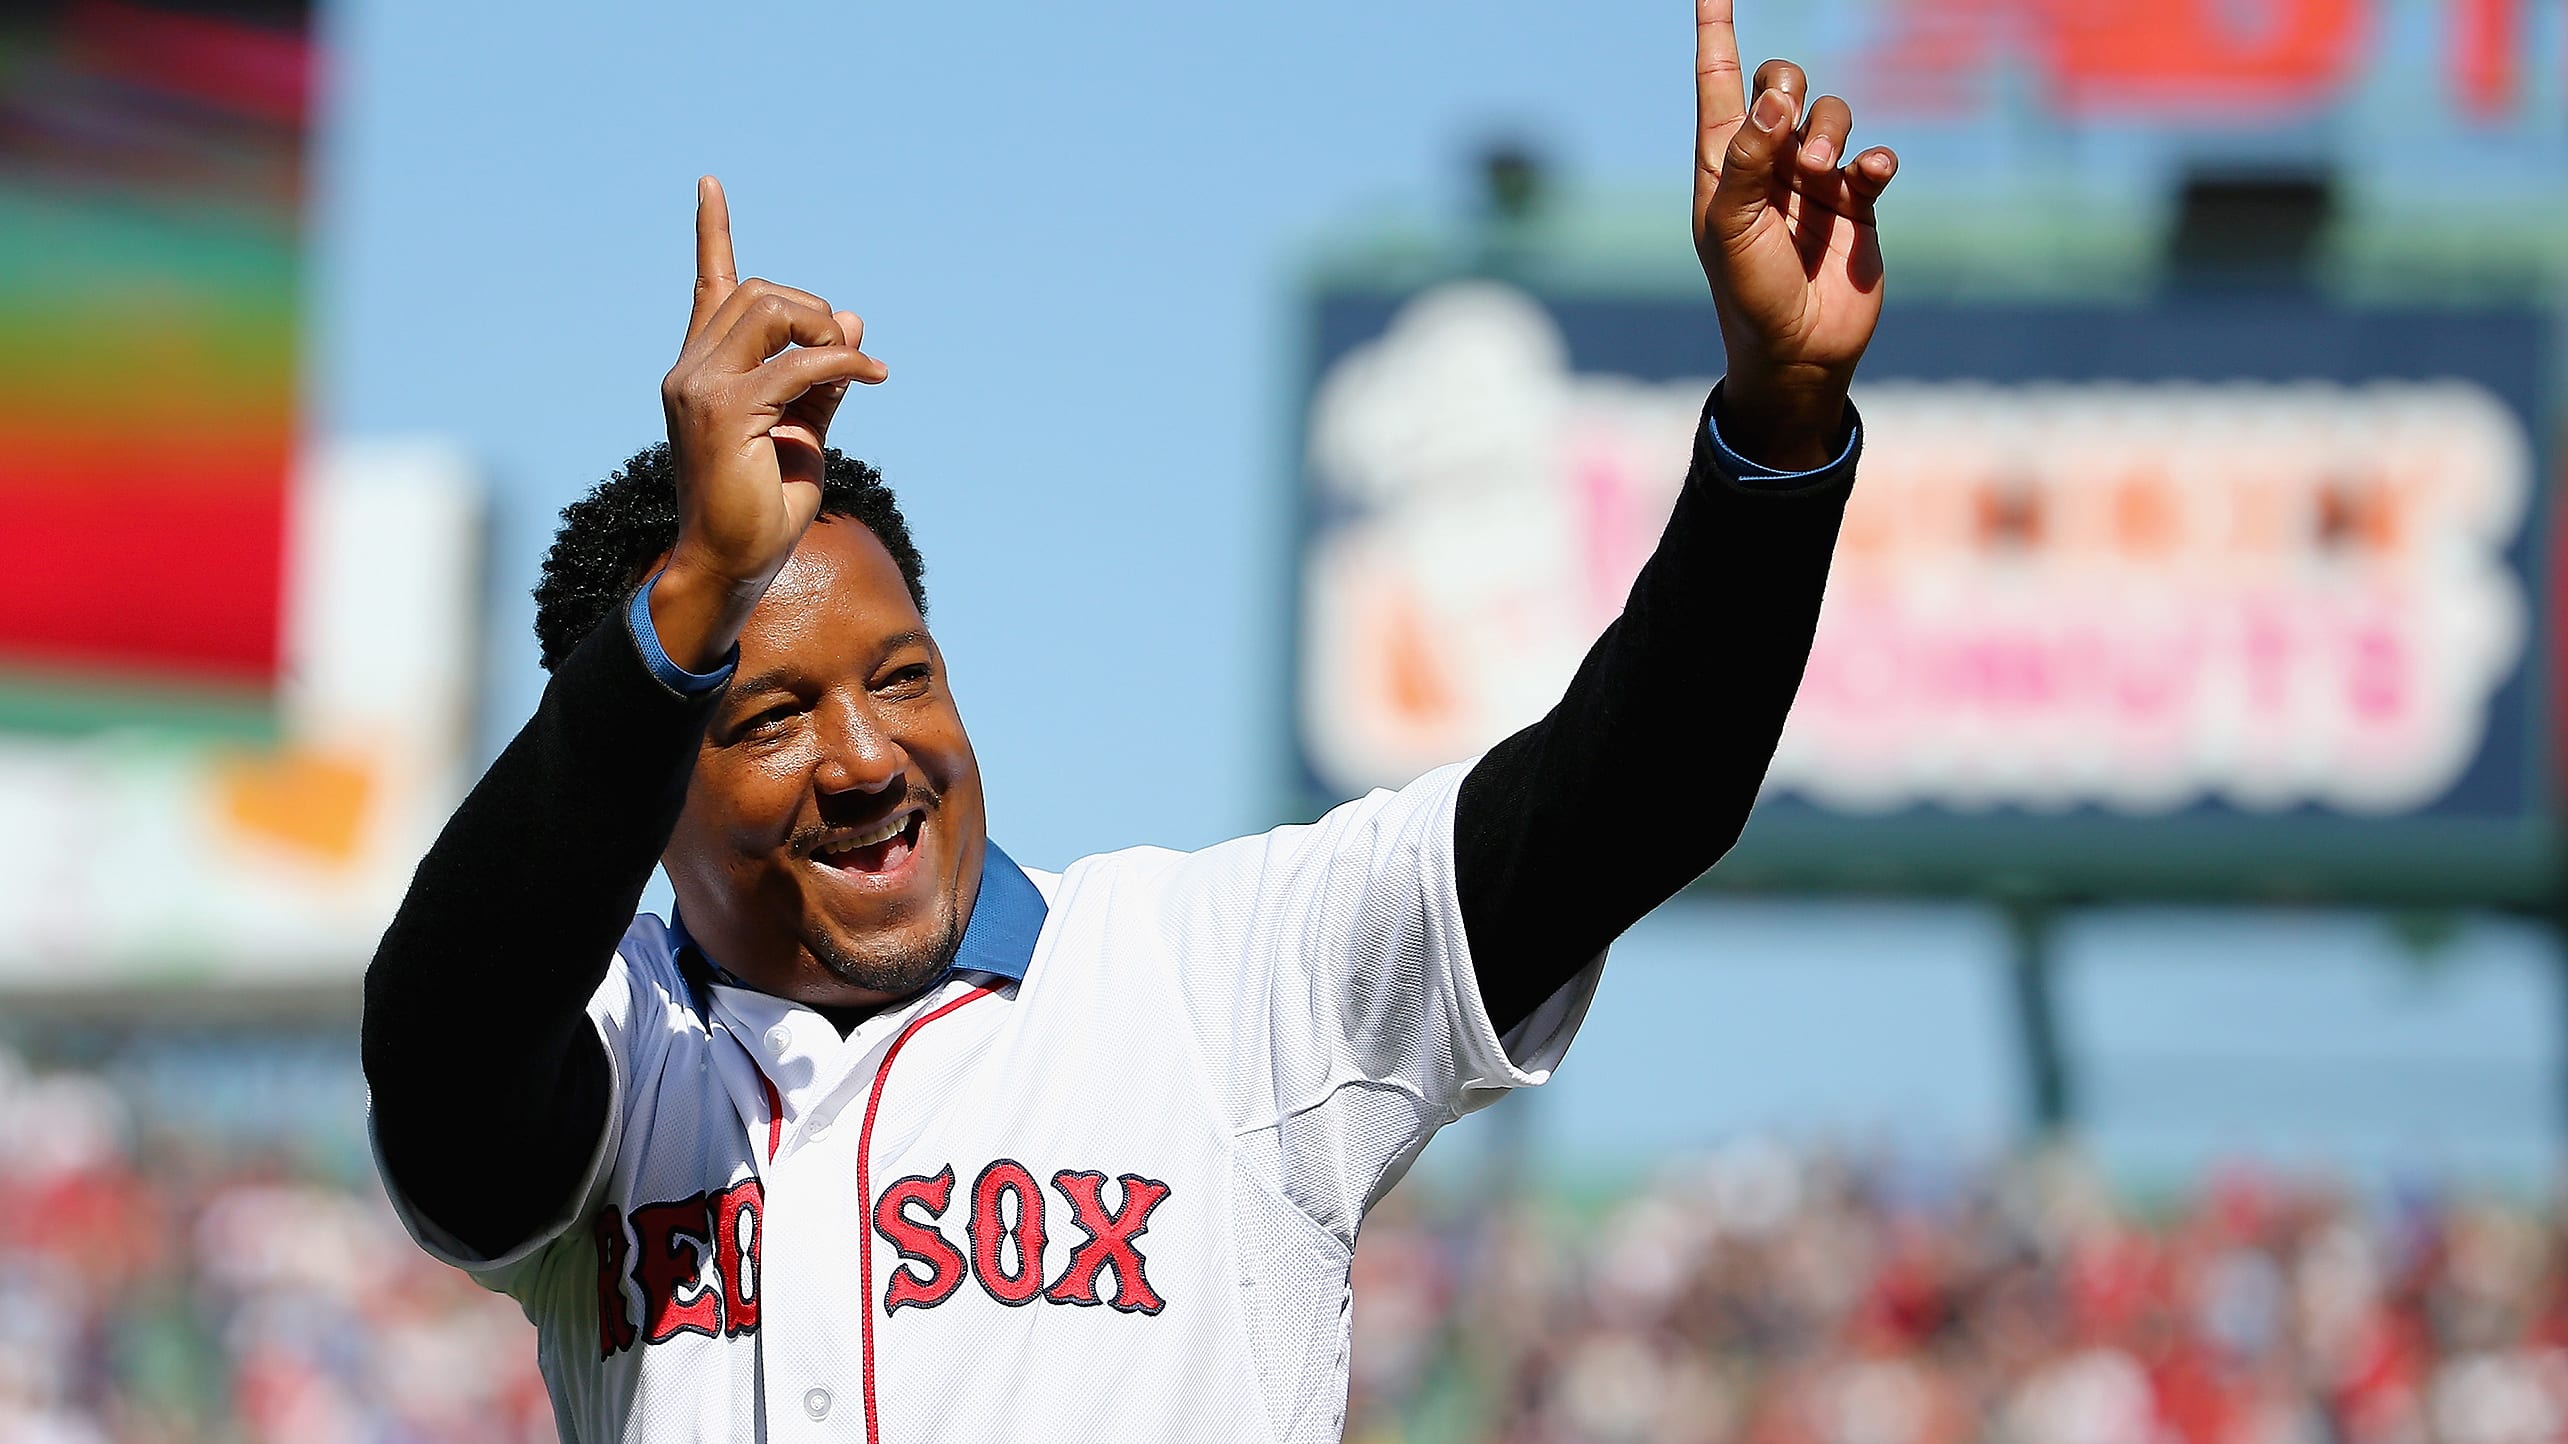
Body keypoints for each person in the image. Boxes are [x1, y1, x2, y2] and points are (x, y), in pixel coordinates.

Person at [361, 5, 1900, 1439]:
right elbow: (442, 1059)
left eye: (902, 677)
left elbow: (1633, 799)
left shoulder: (1215, 982)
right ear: (648, 781)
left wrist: (1777, 429)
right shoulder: (623, 1050)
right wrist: (696, 585)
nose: (866, 758)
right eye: (768, 713)